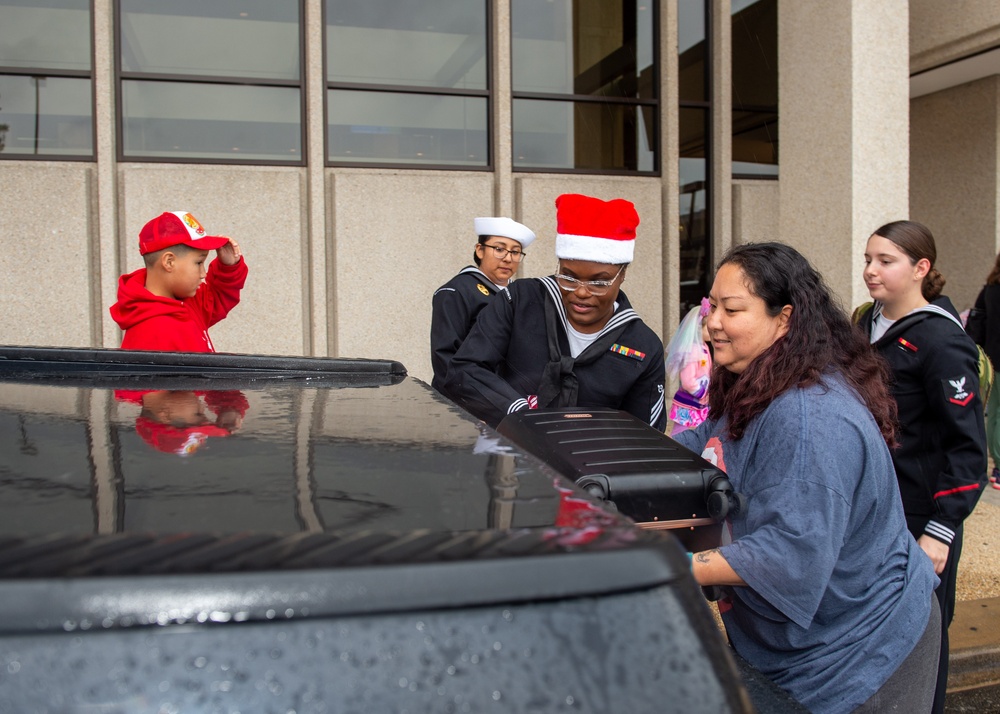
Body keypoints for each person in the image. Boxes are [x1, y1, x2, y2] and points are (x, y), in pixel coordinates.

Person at [675, 242, 941, 713]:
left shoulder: (809, 418)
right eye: (712, 306)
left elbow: (788, 554)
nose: (712, 322)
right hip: (799, 650)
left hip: (863, 653)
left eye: (732, 309)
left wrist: (662, 567)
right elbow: (704, 446)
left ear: (785, 320)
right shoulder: (756, 384)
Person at [855, 220, 988, 713]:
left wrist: (941, 530)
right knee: (869, 638)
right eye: (868, 259)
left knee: (919, 641)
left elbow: (968, 449)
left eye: (885, 261)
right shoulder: (867, 322)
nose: (871, 270)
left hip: (917, 519)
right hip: (869, 509)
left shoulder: (941, 340)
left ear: (921, 268)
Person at [444, 193, 665, 430]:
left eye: (598, 283)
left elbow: (645, 436)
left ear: (622, 274)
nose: (581, 292)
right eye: (568, 277)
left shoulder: (643, 346)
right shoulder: (520, 301)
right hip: (508, 454)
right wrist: (518, 413)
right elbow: (465, 370)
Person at [110, 211, 248, 352]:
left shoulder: (185, 301)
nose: (203, 273)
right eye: (199, 262)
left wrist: (228, 266)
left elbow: (217, 298)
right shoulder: (151, 332)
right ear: (169, 262)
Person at [430, 217, 536, 393]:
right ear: (480, 250)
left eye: (515, 252)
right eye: (499, 249)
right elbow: (445, 359)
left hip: (512, 399)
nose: (508, 259)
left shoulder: (520, 296)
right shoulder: (456, 291)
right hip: (472, 401)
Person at [964, 251, 1000, 489]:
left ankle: (997, 465)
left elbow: (977, 323)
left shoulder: (989, 290)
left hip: (992, 358)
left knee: (994, 412)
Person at [665, 297, 712, 435]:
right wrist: (702, 392)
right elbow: (688, 380)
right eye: (708, 328)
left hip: (699, 400)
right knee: (681, 433)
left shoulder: (704, 347)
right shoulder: (692, 351)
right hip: (690, 401)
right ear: (699, 327)